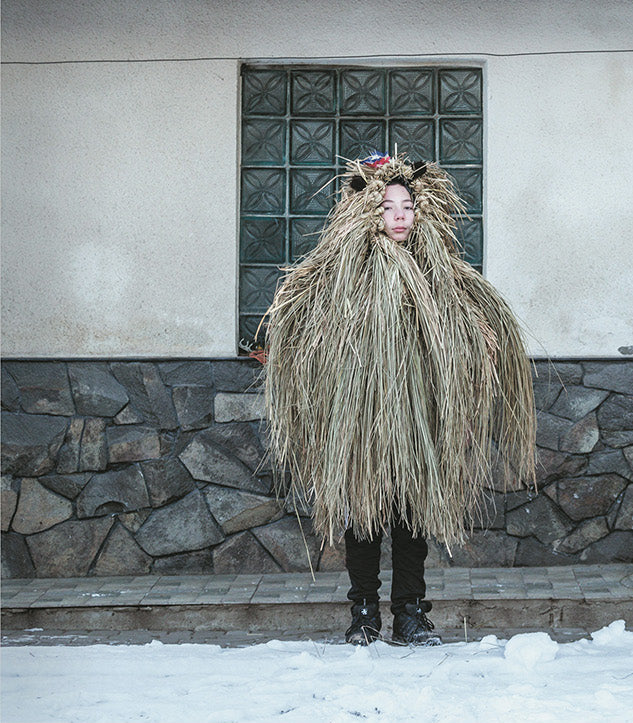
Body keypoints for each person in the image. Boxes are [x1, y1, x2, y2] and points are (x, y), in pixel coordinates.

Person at [264, 154, 535, 646]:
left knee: (411, 517)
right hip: (361, 418)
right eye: (389, 206)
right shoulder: (341, 272)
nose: (400, 214)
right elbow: (304, 322)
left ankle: (410, 613)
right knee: (364, 515)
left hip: (419, 420)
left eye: (408, 205)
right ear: (368, 210)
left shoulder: (442, 274)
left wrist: (481, 348)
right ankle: (363, 614)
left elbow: (470, 329)